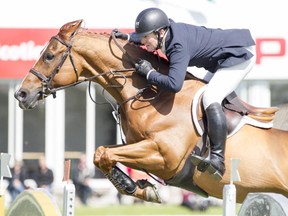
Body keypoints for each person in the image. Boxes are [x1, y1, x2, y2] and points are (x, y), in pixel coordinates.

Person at [113, 7, 256, 180]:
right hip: (224, 56)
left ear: (160, 32)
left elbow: (174, 85)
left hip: (240, 55)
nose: (143, 42)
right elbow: (147, 36)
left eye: (145, 37)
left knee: (211, 97)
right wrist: (128, 37)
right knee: (195, 83)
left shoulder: (177, 46)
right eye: (141, 37)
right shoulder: (165, 32)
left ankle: (218, 160)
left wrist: (149, 73)